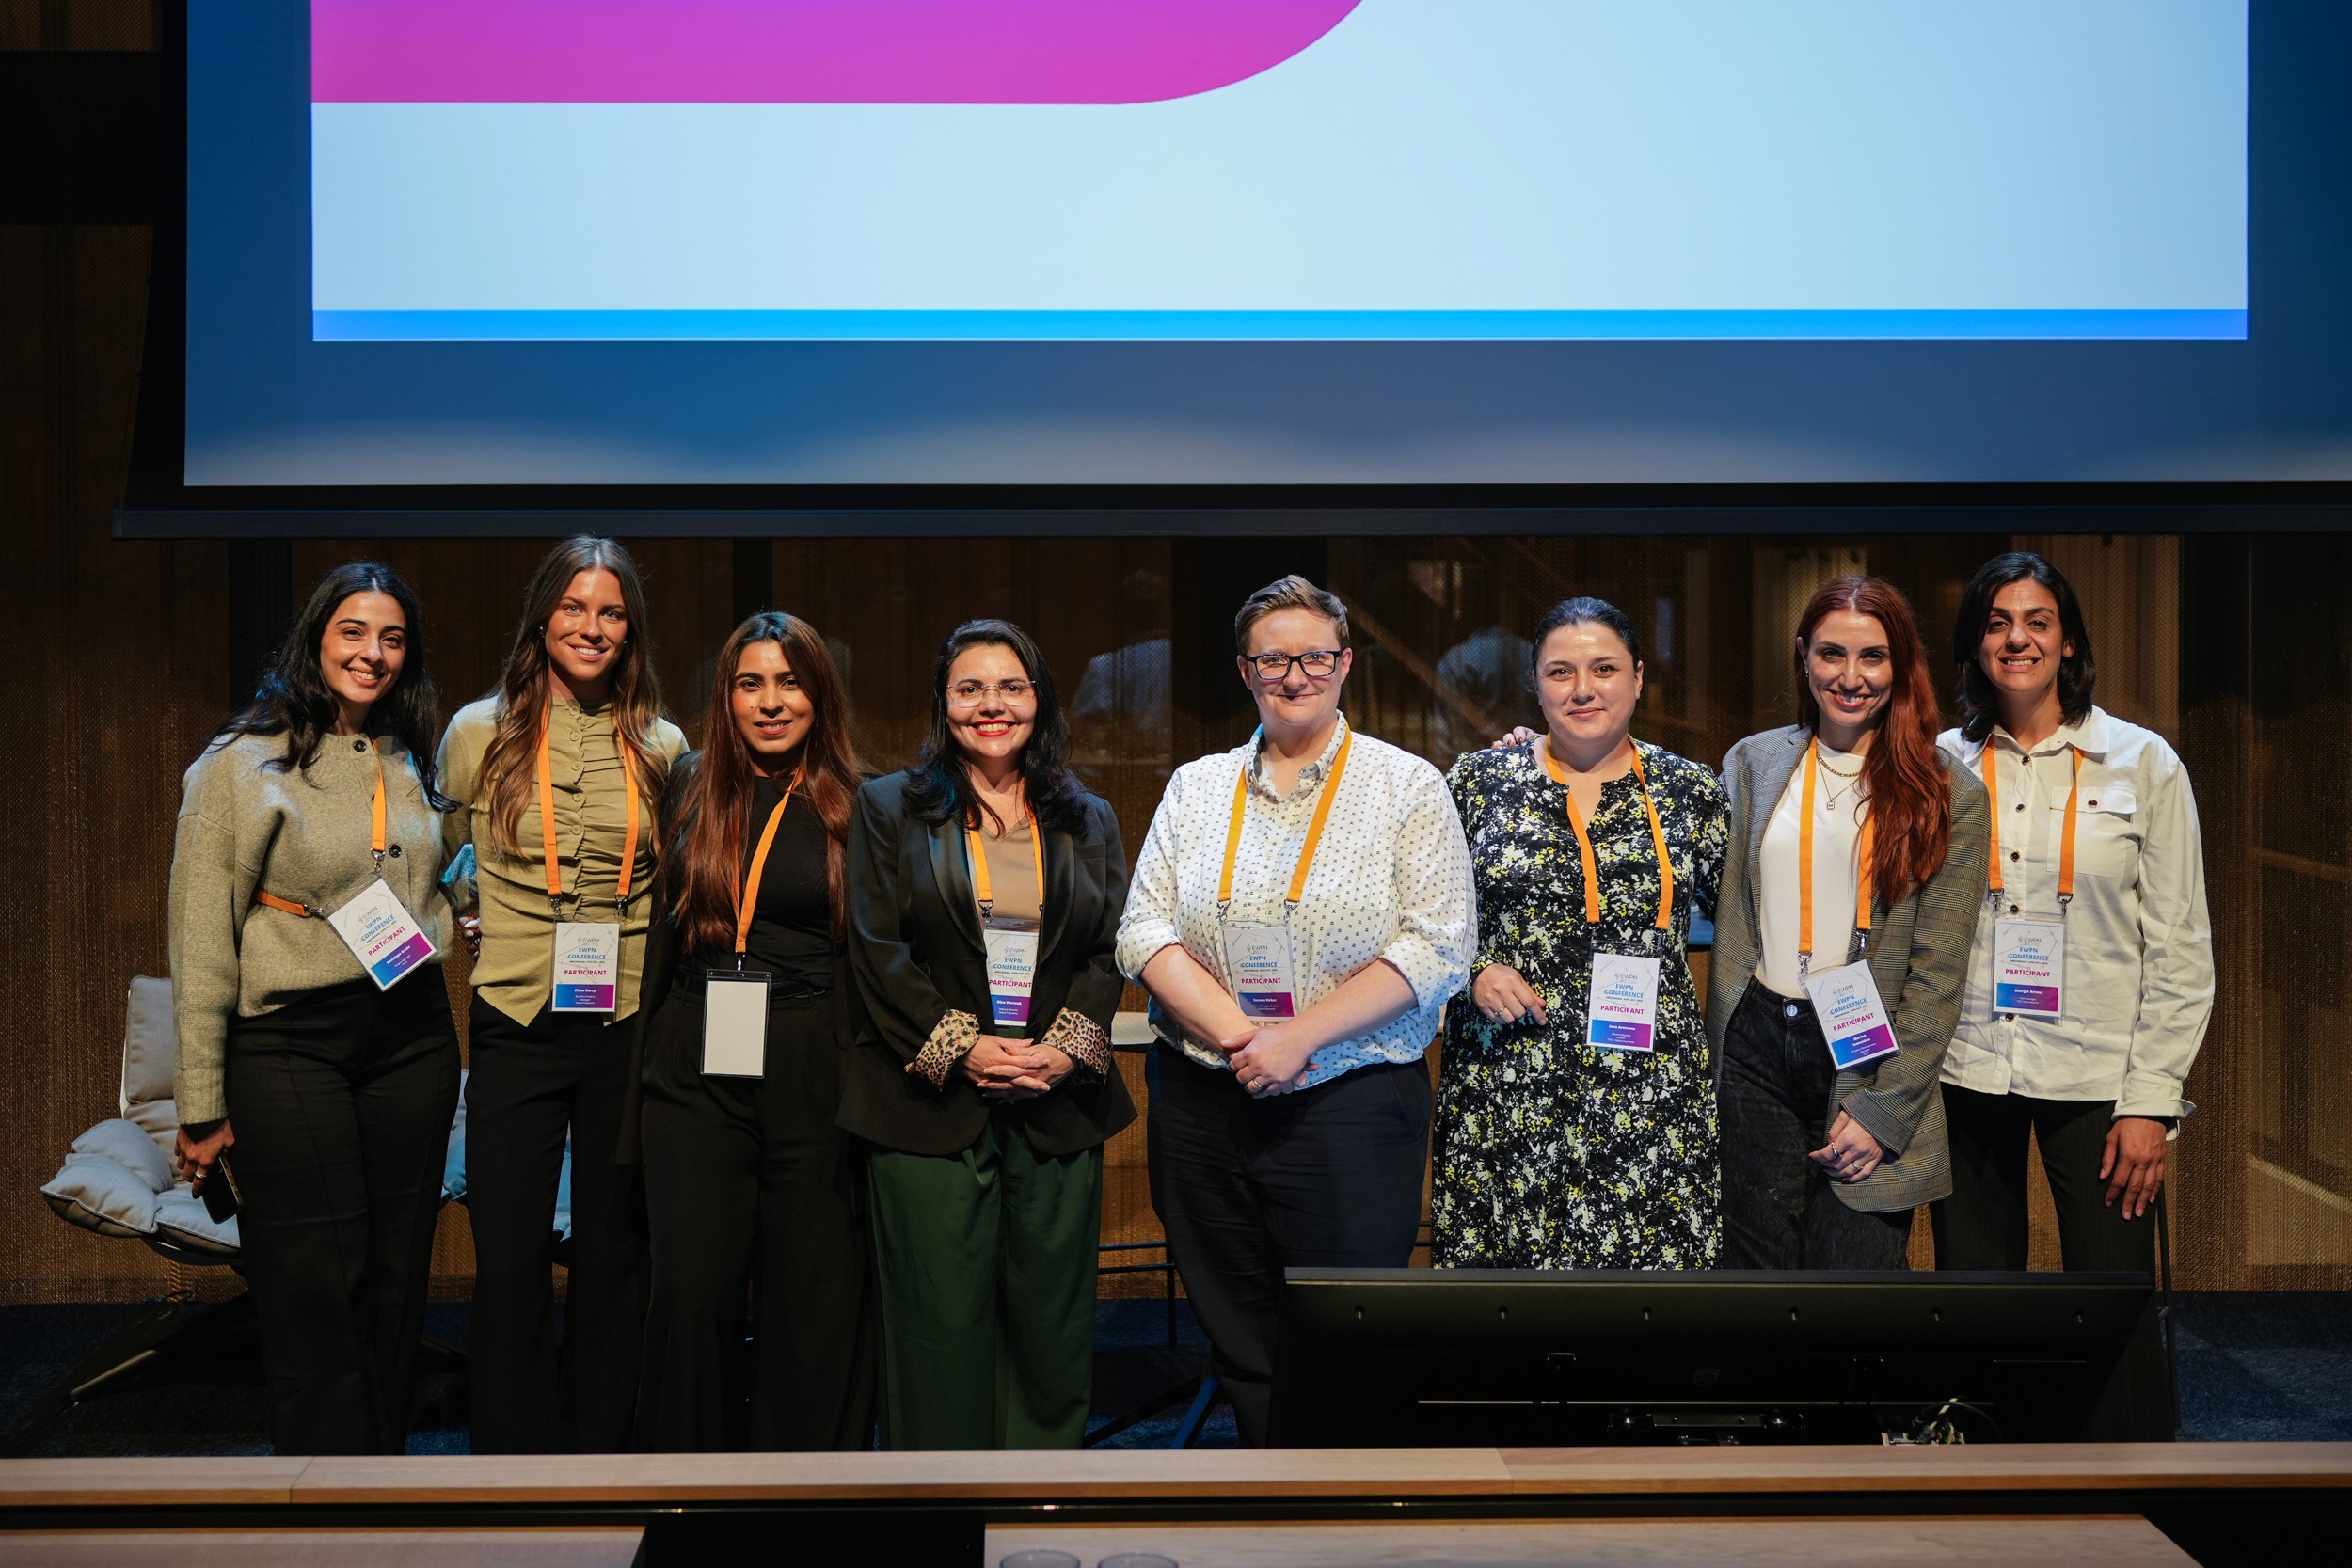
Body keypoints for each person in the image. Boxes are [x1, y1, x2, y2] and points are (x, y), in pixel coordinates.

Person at [1119, 574, 1473, 1445]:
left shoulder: (1407, 786)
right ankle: (1265, 1495)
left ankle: (1344, 1511)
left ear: (1346, 662)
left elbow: (1438, 948)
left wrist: (1298, 1038)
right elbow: (1143, 928)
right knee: (1238, 1327)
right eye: (1273, 658)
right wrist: (1245, 1038)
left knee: (1345, 1330)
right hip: (1206, 1091)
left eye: (1316, 655)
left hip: (1348, 1099)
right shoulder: (1196, 786)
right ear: (1245, 671)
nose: (1295, 674)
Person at [169, 562, 461, 1453]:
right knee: (312, 1274)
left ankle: (382, 1469)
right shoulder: (239, 763)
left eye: (392, 637)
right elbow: (200, 938)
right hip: (290, 1041)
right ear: (315, 639)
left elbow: (431, 878)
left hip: (411, 1032)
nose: (372, 653)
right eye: (353, 632)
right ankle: (323, 1488)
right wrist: (200, 1102)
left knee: (396, 1262)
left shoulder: (412, 755)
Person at [842, 619, 1132, 1449]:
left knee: (1050, 1324)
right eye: (970, 687)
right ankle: (938, 1503)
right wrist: (962, 1045)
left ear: (1039, 700)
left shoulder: (1089, 817)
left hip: (1055, 1097)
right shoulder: (889, 805)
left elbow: (1114, 943)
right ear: (944, 701)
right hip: (926, 1104)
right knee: (937, 1322)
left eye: (1011, 686)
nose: (991, 705)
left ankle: (1039, 1501)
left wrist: (1063, 1047)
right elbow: (877, 948)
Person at [437, 537, 687, 1453]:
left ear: (631, 629)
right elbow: (440, 857)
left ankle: (603, 1453)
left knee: (615, 1257)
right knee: (507, 1262)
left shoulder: (662, 744)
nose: (591, 626)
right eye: (575, 607)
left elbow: (679, 882)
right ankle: (509, 1460)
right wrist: (468, 912)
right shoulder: (478, 730)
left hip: (626, 1023)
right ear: (543, 615)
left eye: (611, 611)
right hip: (512, 1019)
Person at [630, 612, 875, 1450]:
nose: (771, 703)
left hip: (814, 1066)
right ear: (726, 696)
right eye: (750, 683)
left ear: (820, 692)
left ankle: (803, 1497)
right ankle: (684, 1493)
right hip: (695, 1057)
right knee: (691, 1291)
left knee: (809, 1299)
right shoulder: (690, 782)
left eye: (790, 682)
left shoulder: (862, 801)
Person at [1931, 552, 2212, 1270]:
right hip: (1967, 1063)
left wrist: (2152, 1102)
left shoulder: (2144, 764)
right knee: (1975, 1301)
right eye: (1997, 624)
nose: (2017, 639)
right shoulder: (1938, 765)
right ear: (1973, 643)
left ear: (2070, 641)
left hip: (2098, 1075)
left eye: (2037, 622)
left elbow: (2180, 948)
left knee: (2108, 1302)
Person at [1435, 597, 1727, 1269]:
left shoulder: (1692, 791)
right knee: (1510, 1319)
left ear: (1639, 678)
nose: (1584, 688)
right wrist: (1475, 968)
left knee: (1643, 1326)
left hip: (1651, 1095)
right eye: (1561, 672)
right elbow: (1427, 920)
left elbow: (1746, 924)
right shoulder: (1478, 784)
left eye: (1604, 668)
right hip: (1507, 1091)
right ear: (1535, 683)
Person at [1706, 575, 1989, 1269]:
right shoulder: (1751, 763)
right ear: (1804, 656)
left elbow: (1937, 977)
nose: (1851, 676)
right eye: (1832, 653)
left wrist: (1886, 1108)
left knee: (1853, 1280)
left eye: (1873, 657)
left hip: (1868, 1051)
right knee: (1757, 1272)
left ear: (1900, 666)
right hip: (1757, 1042)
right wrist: (1544, 752)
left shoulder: (1949, 791)